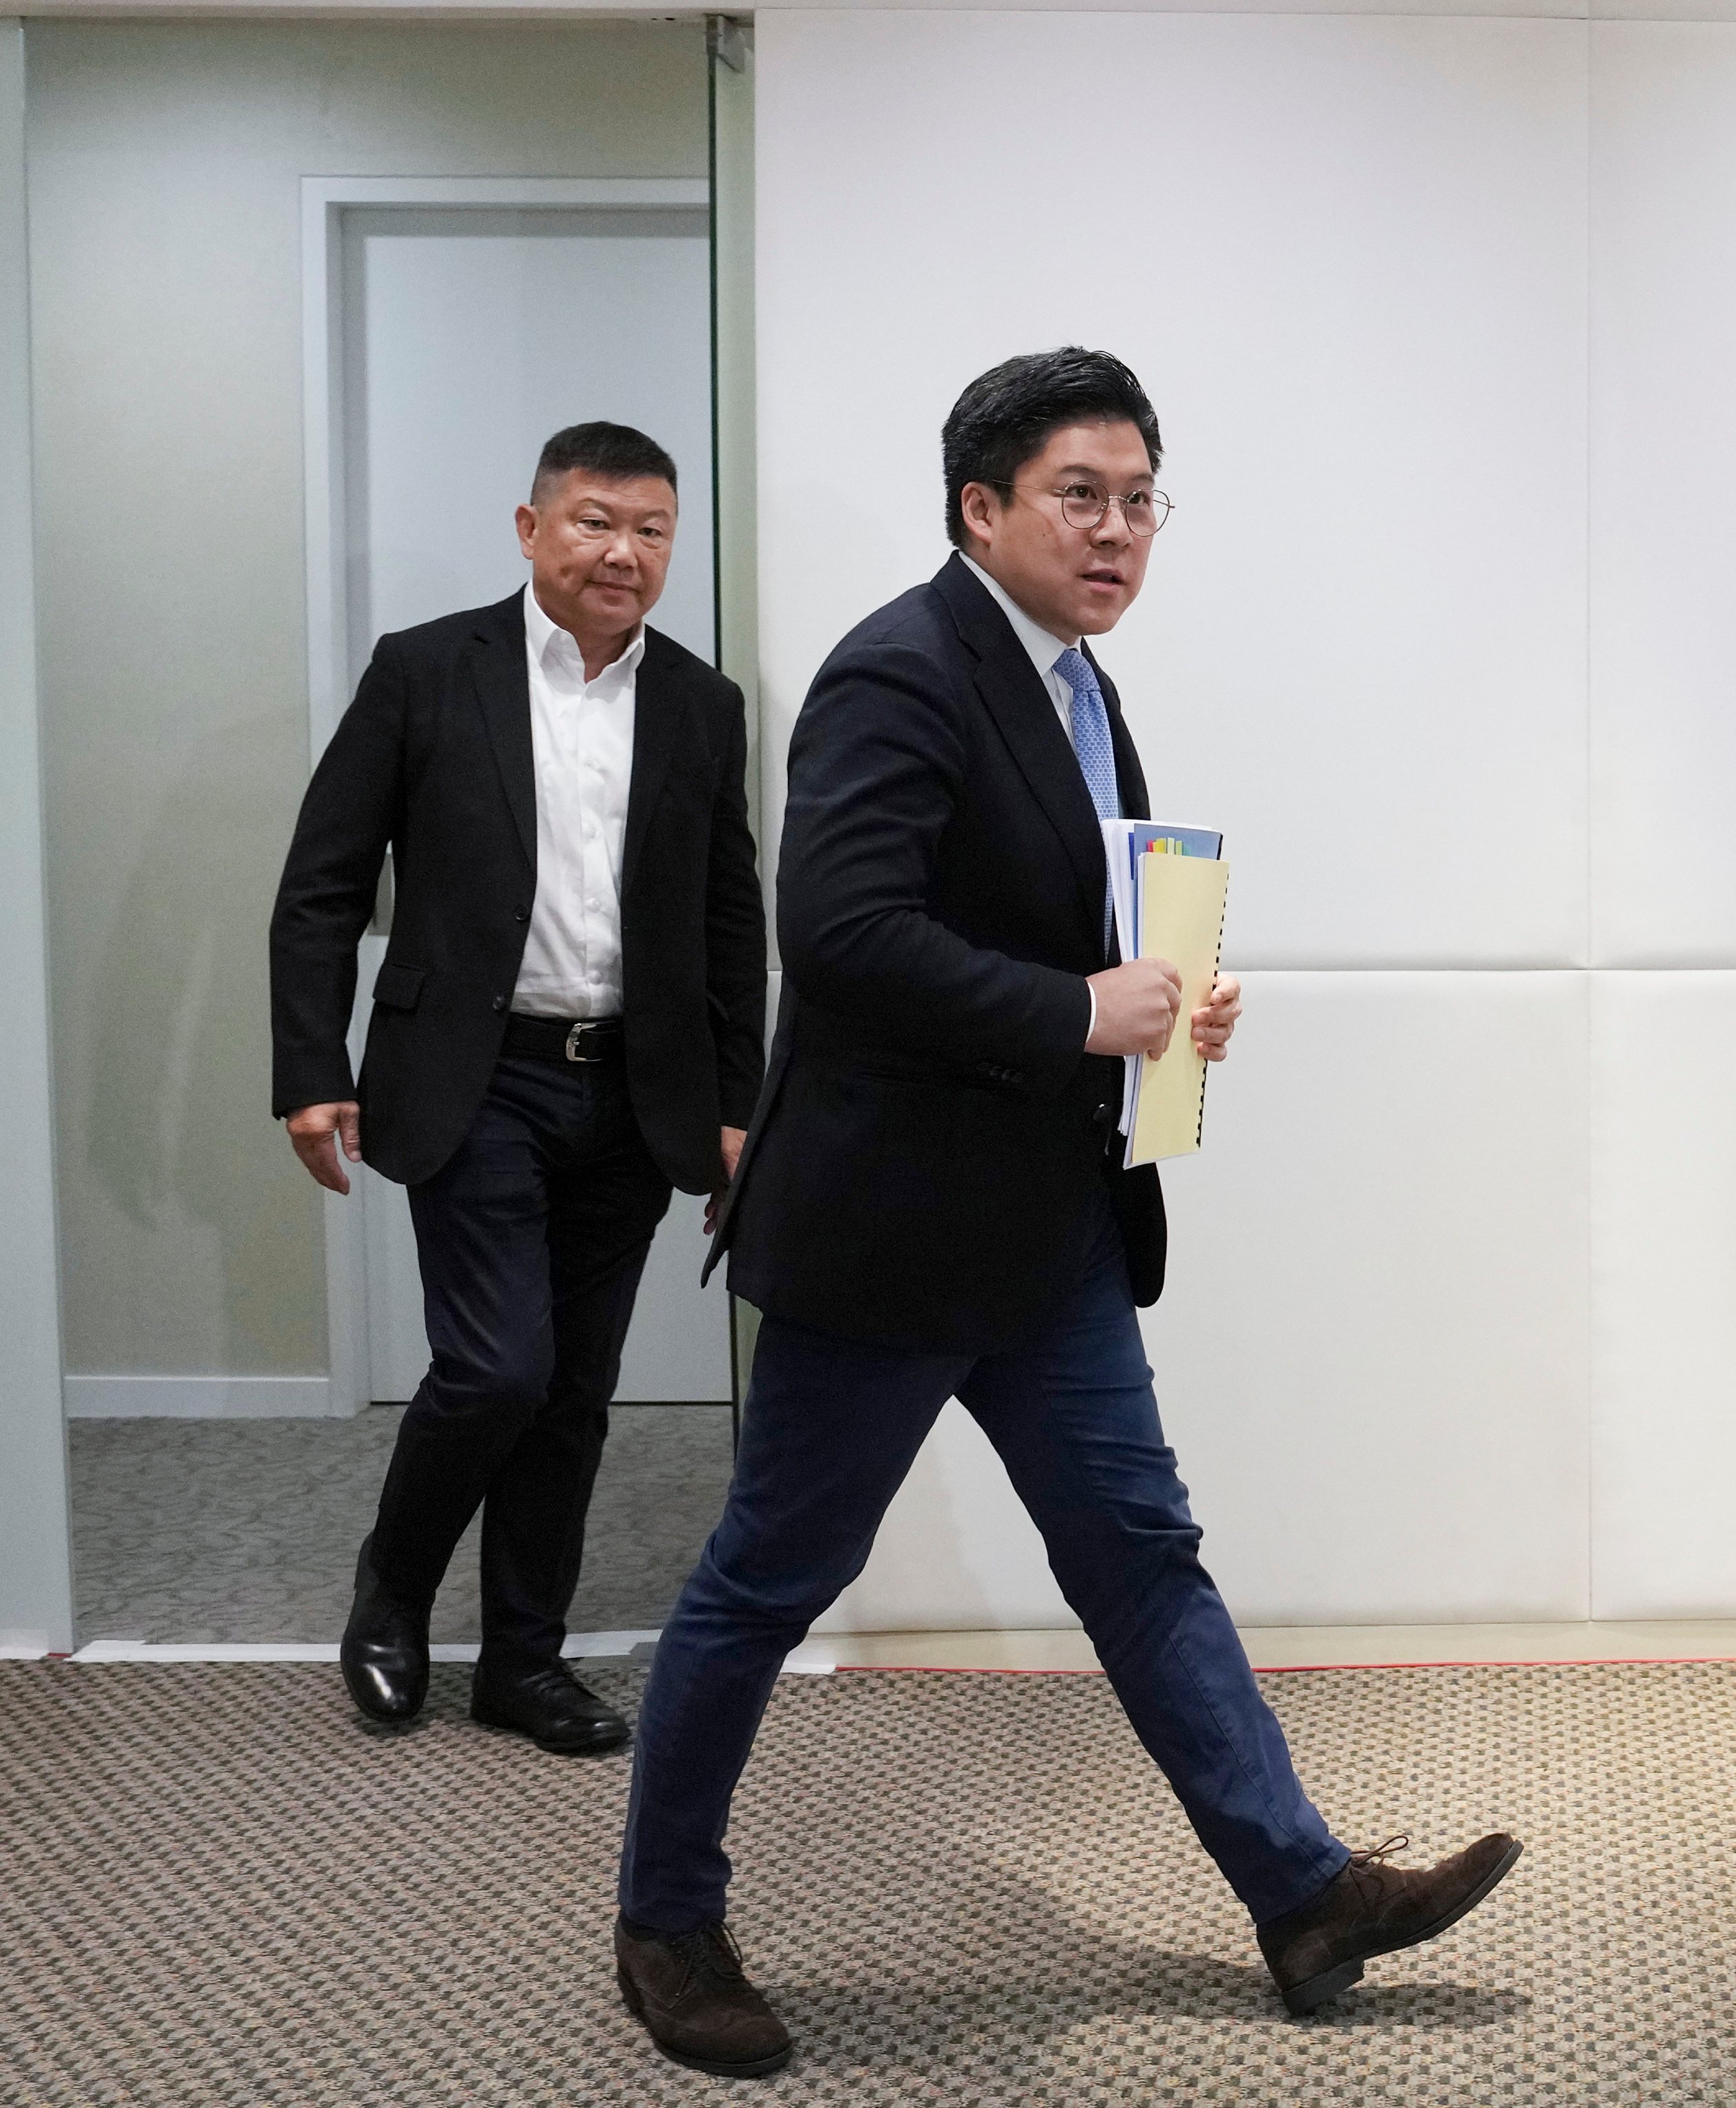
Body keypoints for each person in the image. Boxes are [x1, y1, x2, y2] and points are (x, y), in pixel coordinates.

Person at [609, 349, 1518, 2078]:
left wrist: (1161, 1006)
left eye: (1139, 498)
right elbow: (849, 935)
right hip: (884, 1244)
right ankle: (665, 1924)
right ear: (981, 507)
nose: (1116, 532)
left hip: (1046, 1236)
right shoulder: (899, 669)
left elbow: (1059, 926)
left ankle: (1302, 1889)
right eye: (1078, 496)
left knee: (1138, 1557)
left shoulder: (1076, 682)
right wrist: (1077, 1012)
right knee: (766, 1581)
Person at [268, 422, 768, 1756]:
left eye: (653, 529)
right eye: (597, 520)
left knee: (575, 1389)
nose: (626, 552)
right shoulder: (428, 671)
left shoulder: (704, 706)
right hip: (474, 1077)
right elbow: (322, 882)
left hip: (635, 1089)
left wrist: (739, 1104)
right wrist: (309, 1070)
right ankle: (393, 1590)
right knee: (497, 1368)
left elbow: (733, 922)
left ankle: (522, 1661)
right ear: (532, 527)